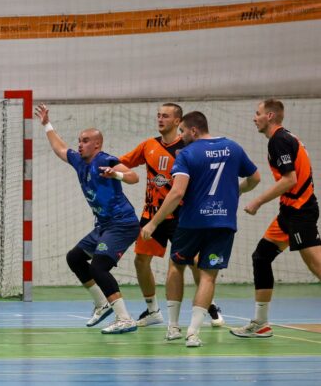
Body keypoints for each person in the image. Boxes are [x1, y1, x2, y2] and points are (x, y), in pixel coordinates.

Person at [142, 111, 260, 347]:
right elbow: (255, 178)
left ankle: (173, 327)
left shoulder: (187, 154)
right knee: (208, 276)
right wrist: (235, 191)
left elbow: (177, 192)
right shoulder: (233, 148)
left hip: (192, 222)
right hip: (223, 223)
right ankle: (193, 333)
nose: (182, 136)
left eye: (184, 131)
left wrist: (153, 222)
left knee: (176, 266)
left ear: (194, 130)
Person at [35, 103, 141, 334]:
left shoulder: (107, 160)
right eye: (79, 140)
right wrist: (47, 125)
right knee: (74, 258)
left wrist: (117, 174)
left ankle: (125, 319)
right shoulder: (80, 162)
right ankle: (102, 303)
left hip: (122, 224)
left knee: (99, 267)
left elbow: (134, 177)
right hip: (103, 226)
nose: (79, 144)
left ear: (97, 144)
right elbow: (60, 148)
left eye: (84, 140)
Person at [118, 103, 225, 329]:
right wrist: (107, 166)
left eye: (165, 116)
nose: (160, 119)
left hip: (181, 215)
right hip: (152, 215)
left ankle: (210, 304)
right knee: (140, 260)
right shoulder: (148, 145)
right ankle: (152, 310)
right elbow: (124, 162)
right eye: (158, 115)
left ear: (178, 121)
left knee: (194, 261)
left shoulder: (188, 147)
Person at [231, 99, 321, 338]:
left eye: (257, 113)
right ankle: (261, 323)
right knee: (261, 257)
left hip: (301, 212)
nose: (254, 117)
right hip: (289, 213)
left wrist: (257, 201)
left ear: (270, 116)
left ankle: (260, 322)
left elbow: (289, 180)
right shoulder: (284, 139)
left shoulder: (279, 140)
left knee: (316, 265)